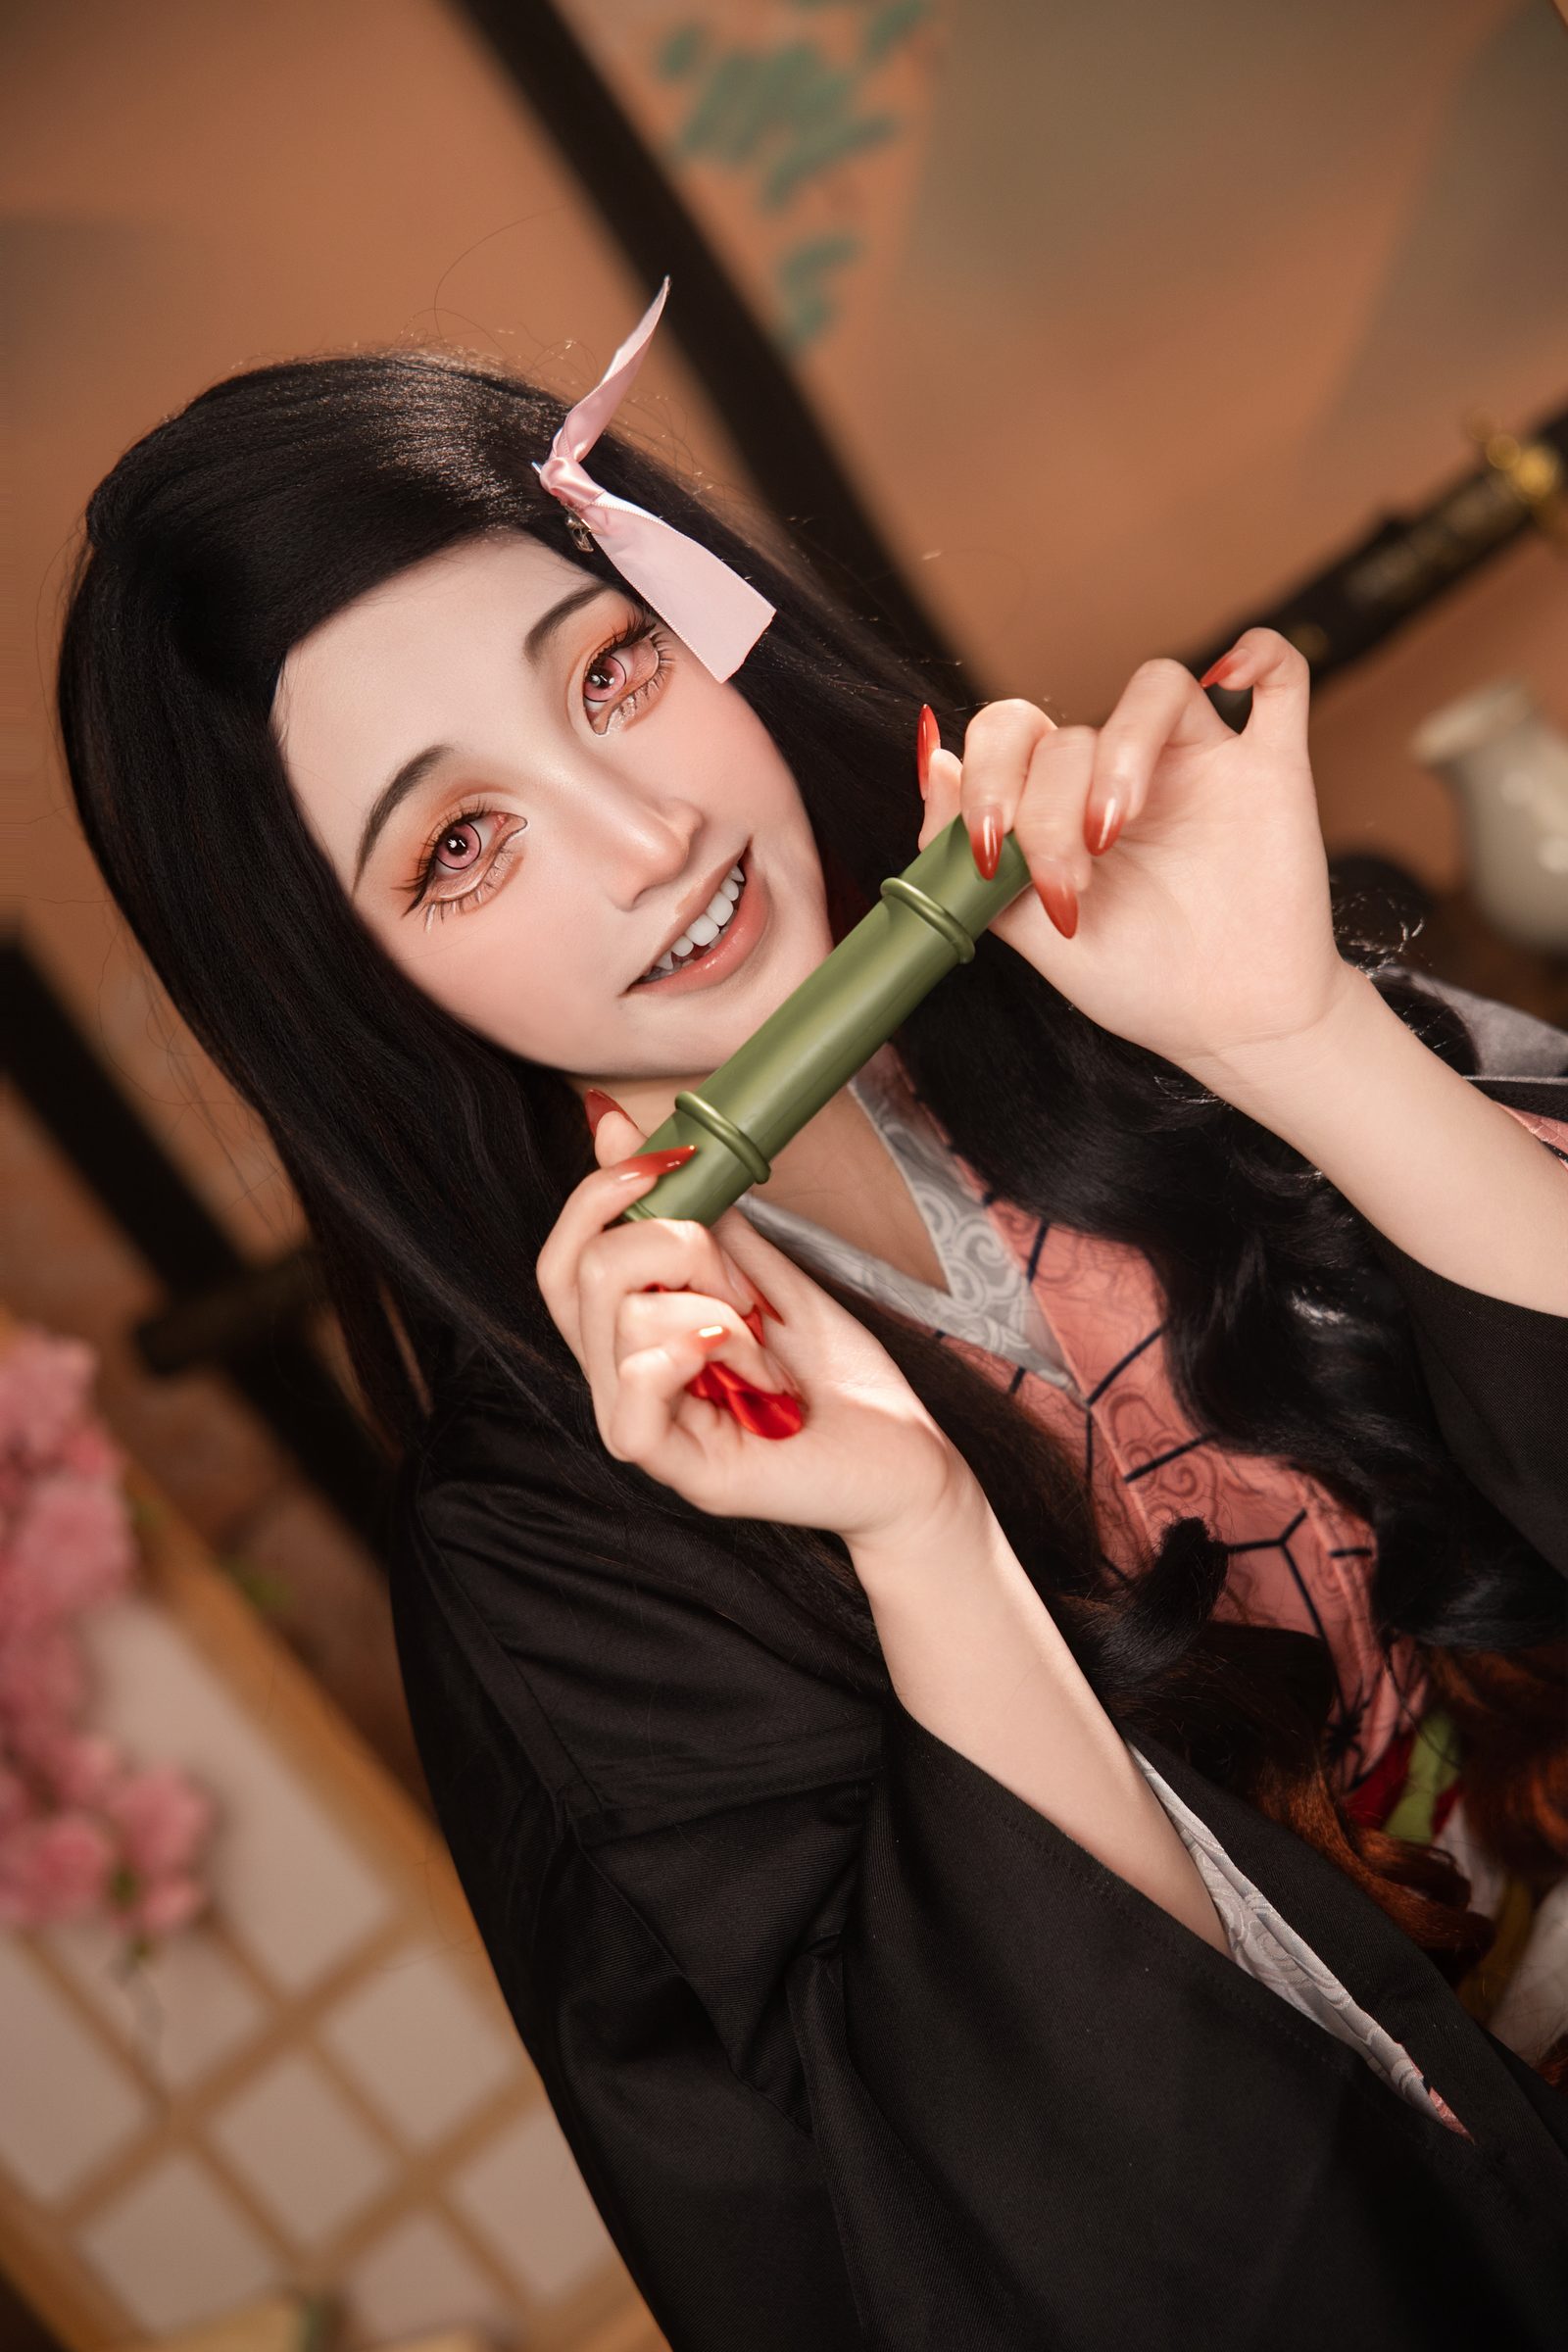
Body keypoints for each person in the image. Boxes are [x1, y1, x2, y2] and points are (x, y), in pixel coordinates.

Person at [55, 309, 1568, 2347]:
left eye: (611, 672)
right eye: (461, 844)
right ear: (352, 986)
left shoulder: (1118, 963)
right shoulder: (540, 1556)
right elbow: (1043, 2227)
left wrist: (1300, 1039)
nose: (644, 838)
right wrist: (918, 1541)